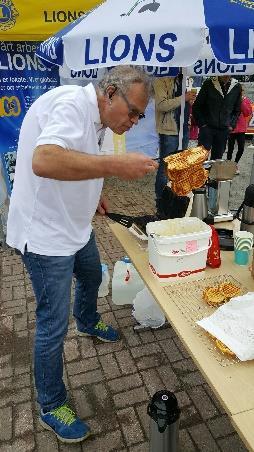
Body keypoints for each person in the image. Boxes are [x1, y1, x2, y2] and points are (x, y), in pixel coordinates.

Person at [6, 65, 158, 444]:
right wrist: (115, 166)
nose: (136, 122)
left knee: (92, 275)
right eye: (134, 112)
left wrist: (96, 193)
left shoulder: (102, 121)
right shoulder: (72, 104)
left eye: (141, 115)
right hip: (45, 236)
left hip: (74, 226)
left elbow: (79, 160)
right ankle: (51, 404)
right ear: (109, 93)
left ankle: (88, 321)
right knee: (51, 323)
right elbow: (44, 159)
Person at [153, 75, 196, 216]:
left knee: (180, 168)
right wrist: (184, 98)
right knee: (166, 169)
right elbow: (162, 105)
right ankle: (160, 203)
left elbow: (185, 105)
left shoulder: (186, 80)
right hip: (169, 131)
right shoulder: (161, 81)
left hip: (183, 130)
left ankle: (175, 202)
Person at [192, 75, 242, 160]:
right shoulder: (209, 83)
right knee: (201, 158)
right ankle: (202, 173)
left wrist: (231, 125)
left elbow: (237, 110)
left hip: (223, 130)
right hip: (207, 128)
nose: (226, 75)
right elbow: (197, 106)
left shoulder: (236, 86)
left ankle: (212, 173)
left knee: (217, 160)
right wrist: (202, 124)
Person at [226, 87, 252, 174]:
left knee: (241, 148)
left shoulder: (246, 100)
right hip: (231, 128)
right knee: (230, 148)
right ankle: (228, 165)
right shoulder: (231, 99)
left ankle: (235, 164)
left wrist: (241, 102)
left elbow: (247, 113)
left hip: (241, 128)